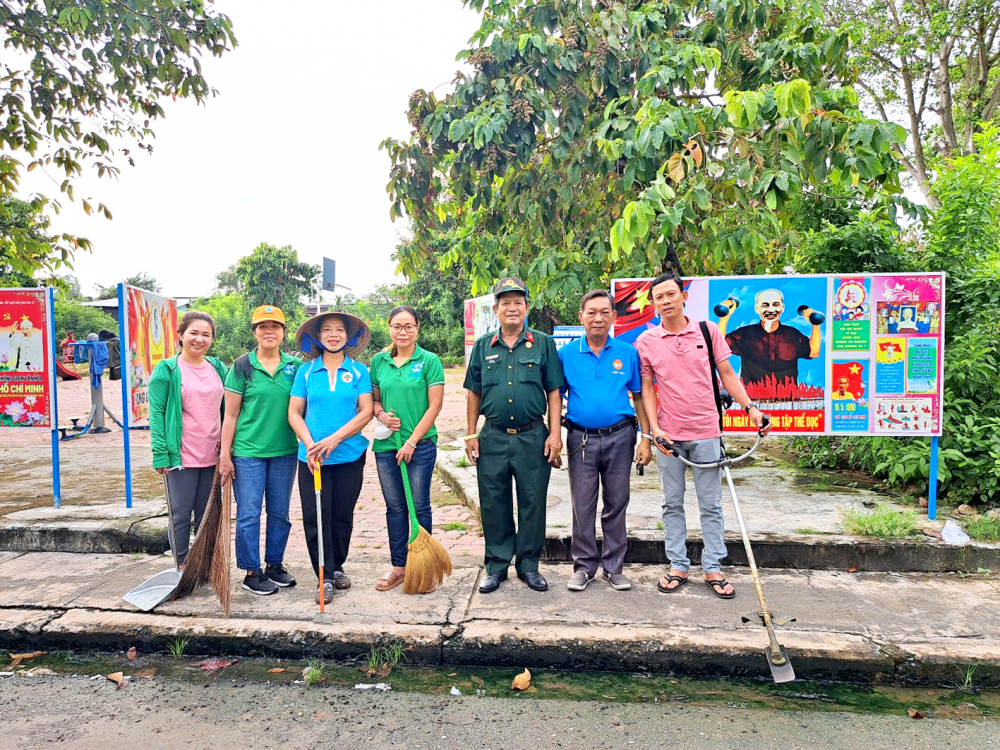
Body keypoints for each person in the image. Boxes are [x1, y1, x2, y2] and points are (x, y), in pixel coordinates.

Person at [637, 274, 769, 599]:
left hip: (707, 431)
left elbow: (727, 374)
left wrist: (751, 408)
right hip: (669, 437)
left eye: (671, 294)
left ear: (683, 296)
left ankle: (713, 567)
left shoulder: (708, 332)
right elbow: (647, 392)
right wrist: (655, 429)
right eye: (659, 297)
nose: (666, 301)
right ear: (653, 304)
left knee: (711, 504)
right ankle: (678, 565)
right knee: (672, 503)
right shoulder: (646, 342)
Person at [464, 277, 565, 593]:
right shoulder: (483, 347)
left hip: (533, 436)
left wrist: (555, 434)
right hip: (492, 437)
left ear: (526, 308)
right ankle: (496, 566)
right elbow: (473, 393)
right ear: (495, 309)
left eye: (517, 302)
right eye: (505, 302)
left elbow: (554, 390)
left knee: (533, 502)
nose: (511, 307)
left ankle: (529, 566)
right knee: (493, 503)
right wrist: (470, 435)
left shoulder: (543, 343)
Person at [559, 290, 651, 592]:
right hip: (580, 439)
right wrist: (552, 436)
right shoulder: (567, 354)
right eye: (591, 312)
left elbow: (639, 396)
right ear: (581, 316)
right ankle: (584, 567)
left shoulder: (627, 352)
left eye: (604, 312)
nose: (598, 318)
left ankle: (614, 568)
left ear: (614, 316)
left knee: (617, 502)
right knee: (582, 504)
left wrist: (645, 439)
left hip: (620, 437)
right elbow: (553, 397)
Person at [288, 311, 373, 604]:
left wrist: (336, 438)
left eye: (339, 330)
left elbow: (366, 411)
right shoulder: (306, 372)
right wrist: (311, 444)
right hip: (312, 459)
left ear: (348, 337)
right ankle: (323, 576)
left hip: (350, 455)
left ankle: (337, 567)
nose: (333, 334)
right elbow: (294, 412)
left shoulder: (360, 371)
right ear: (318, 336)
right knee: (315, 517)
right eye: (327, 330)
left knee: (341, 516)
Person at [219, 305, 301, 596]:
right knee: (249, 513)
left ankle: (274, 565)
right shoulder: (241, 367)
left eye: (275, 326)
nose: (269, 331)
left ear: (283, 332)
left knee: (280, 513)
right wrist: (225, 455)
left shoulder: (295, 367)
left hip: (285, 451)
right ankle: (251, 572)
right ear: (254, 332)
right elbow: (230, 415)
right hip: (248, 453)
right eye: (263, 326)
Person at [370, 306, 446, 592]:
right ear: (389, 327)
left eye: (408, 326)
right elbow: (374, 401)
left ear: (417, 329)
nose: (403, 332)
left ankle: (421, 569)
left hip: (421, 445)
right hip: (387, 445)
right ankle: (399, 567)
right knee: (395, 507)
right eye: (397, 326)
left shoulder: (429, 361)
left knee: (419, 505)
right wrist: (381, 416)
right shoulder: (379, 361)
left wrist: (413, 441)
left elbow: (435, 405)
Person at [148, 311, 228, 566]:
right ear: (181, 335)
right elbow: (157, 414)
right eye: (193, 333)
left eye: (206, 334)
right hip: (180, 455)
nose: (199, 339)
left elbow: (228, 409)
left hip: (213, 455)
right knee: (181, 515)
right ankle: (181, 566)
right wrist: (160, 453)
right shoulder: (168, 369)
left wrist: (228, 449)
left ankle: (203, 565)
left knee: (208, 515)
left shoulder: (218, 367)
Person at [717, 289, 821, 388]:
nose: (771, 310)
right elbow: (720, 347)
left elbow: (813, 352)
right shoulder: (744, 334)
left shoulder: (792, 334)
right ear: (757, 308)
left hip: (788, 401)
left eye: (776, 305)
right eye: (765, 305)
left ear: (782, 308)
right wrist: (724, 318)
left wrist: (815, 325)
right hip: (750, 401)